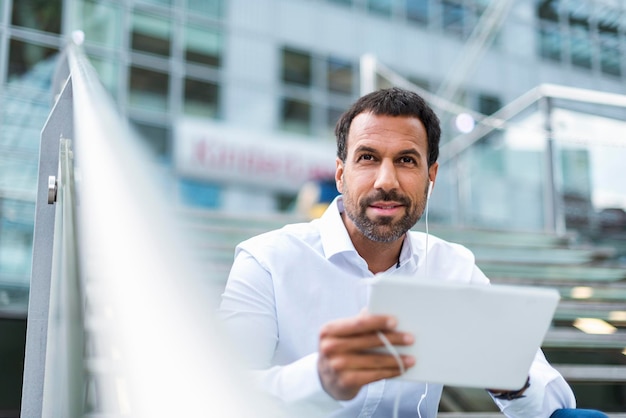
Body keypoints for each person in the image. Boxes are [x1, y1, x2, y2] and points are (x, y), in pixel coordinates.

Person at [218, 88, 607, 417]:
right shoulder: (267, 259)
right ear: (341, 173)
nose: (386, 181)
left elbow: (555, 405)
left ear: (431, 176)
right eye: (368, 158)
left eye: (406, 160)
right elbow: (215, 390)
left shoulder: (453, 267)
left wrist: (511, 375)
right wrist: (319, 379)